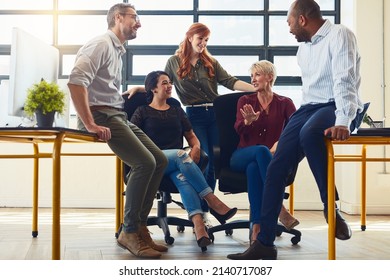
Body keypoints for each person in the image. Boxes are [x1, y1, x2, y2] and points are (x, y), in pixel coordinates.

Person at [227, 0, 364, 260]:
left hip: (337, 104)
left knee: (309, 133)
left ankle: (329, 207)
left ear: (302, 19)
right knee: (276, 166)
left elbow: (344, 79)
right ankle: (264, 243)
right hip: (310, 107)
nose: (289, 29)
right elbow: (310, 91)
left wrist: (344, 120)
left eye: (290, 22)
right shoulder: (304, 50)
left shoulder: (339, 35)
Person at [67, 3, 169, 259]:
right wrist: (90, 124)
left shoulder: (117, 49)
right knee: (144, 163)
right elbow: (76, 81)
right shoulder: (100, 44)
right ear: (117, 17)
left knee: (159, 160)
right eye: (134, 17)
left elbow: (103, 86)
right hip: (101, 115)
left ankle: (141, 227)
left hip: (117, 114)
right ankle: (129, 231)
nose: (139, 23)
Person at [127, 23, 254, 225]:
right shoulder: (174, 62)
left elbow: (230, 81)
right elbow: (161, 83)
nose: (203, 43)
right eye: (200, 39)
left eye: (206, 40)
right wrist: (139, 88)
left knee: (213, 160)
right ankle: (204, 207)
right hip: (194, 114)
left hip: (214, 113)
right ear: (189, 38)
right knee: (202, 158)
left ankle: (205, 210)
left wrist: (255, 90)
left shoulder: (210, 62)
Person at [130, 70, 238, 248]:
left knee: (183, 179)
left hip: (174, 165)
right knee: (181, 154)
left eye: (170, 82)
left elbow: (191, 136)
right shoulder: (142, 111)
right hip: (153, 161)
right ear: (153, 89)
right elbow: (132, 137)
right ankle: (212, 200)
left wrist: (196, 147)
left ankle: (199, 226)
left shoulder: (176, 110)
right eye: (164, 82)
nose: (169, 85)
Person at [230, 60, 299, 244]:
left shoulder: (285, 103)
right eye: (251, 75)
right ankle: (279, 208)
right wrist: (248, 122)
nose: (252, 79)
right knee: (260, 151)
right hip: (241, 155)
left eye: (257, 75)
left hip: (268, 158)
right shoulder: (245, 101)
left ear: (269, 77)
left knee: (254, 169)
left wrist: (279, 142)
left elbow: (295, 130)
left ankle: (257, 228)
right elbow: (238, 128)